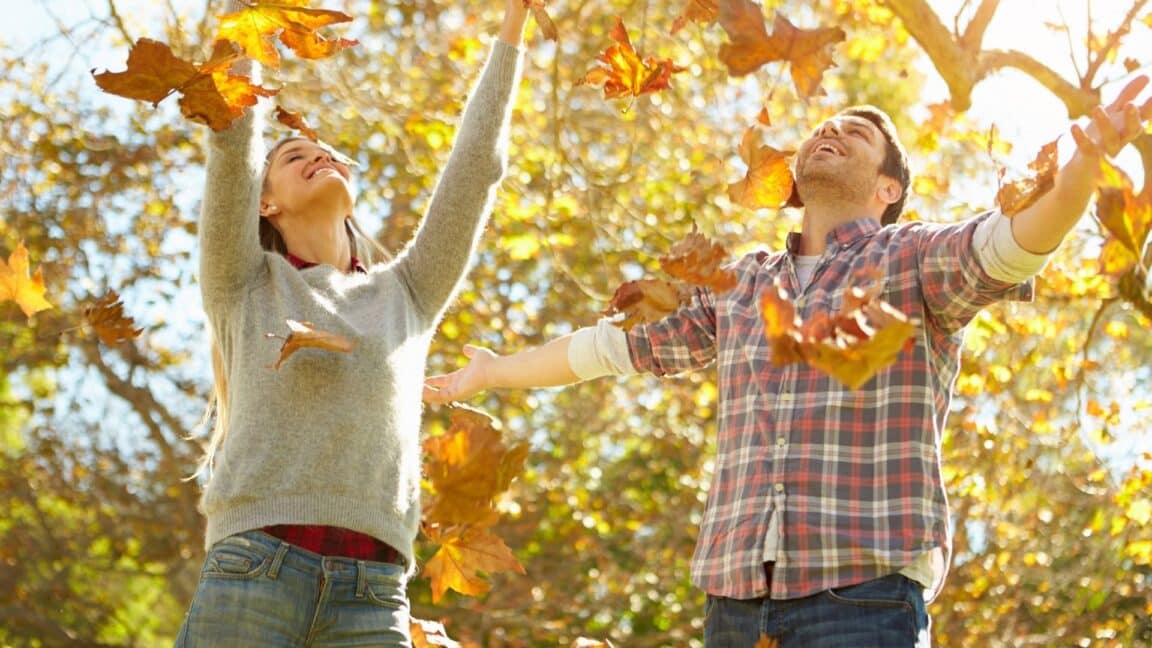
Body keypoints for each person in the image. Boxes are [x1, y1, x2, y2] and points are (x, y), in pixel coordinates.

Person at [423, 78, 1152, 646]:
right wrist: (492, 371)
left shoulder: (913, 260)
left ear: (887, 188)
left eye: (858, 132)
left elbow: (1014, 243)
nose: (832, 129)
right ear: (796, 181)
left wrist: (1082, 166)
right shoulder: (740, 284)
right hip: (734, 608)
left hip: (863, 601)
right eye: (825, 127)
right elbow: (608, 351)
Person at [176, 1, 530, 645]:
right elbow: (233, 136)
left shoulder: (409, 293)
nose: (320, 156)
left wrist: (514, 27)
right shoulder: (242, 281)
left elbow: (477, 169)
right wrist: (246, 18)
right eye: (293, 156)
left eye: (327, 151)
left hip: (372, 595)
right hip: (254, 570)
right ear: (266, 201)